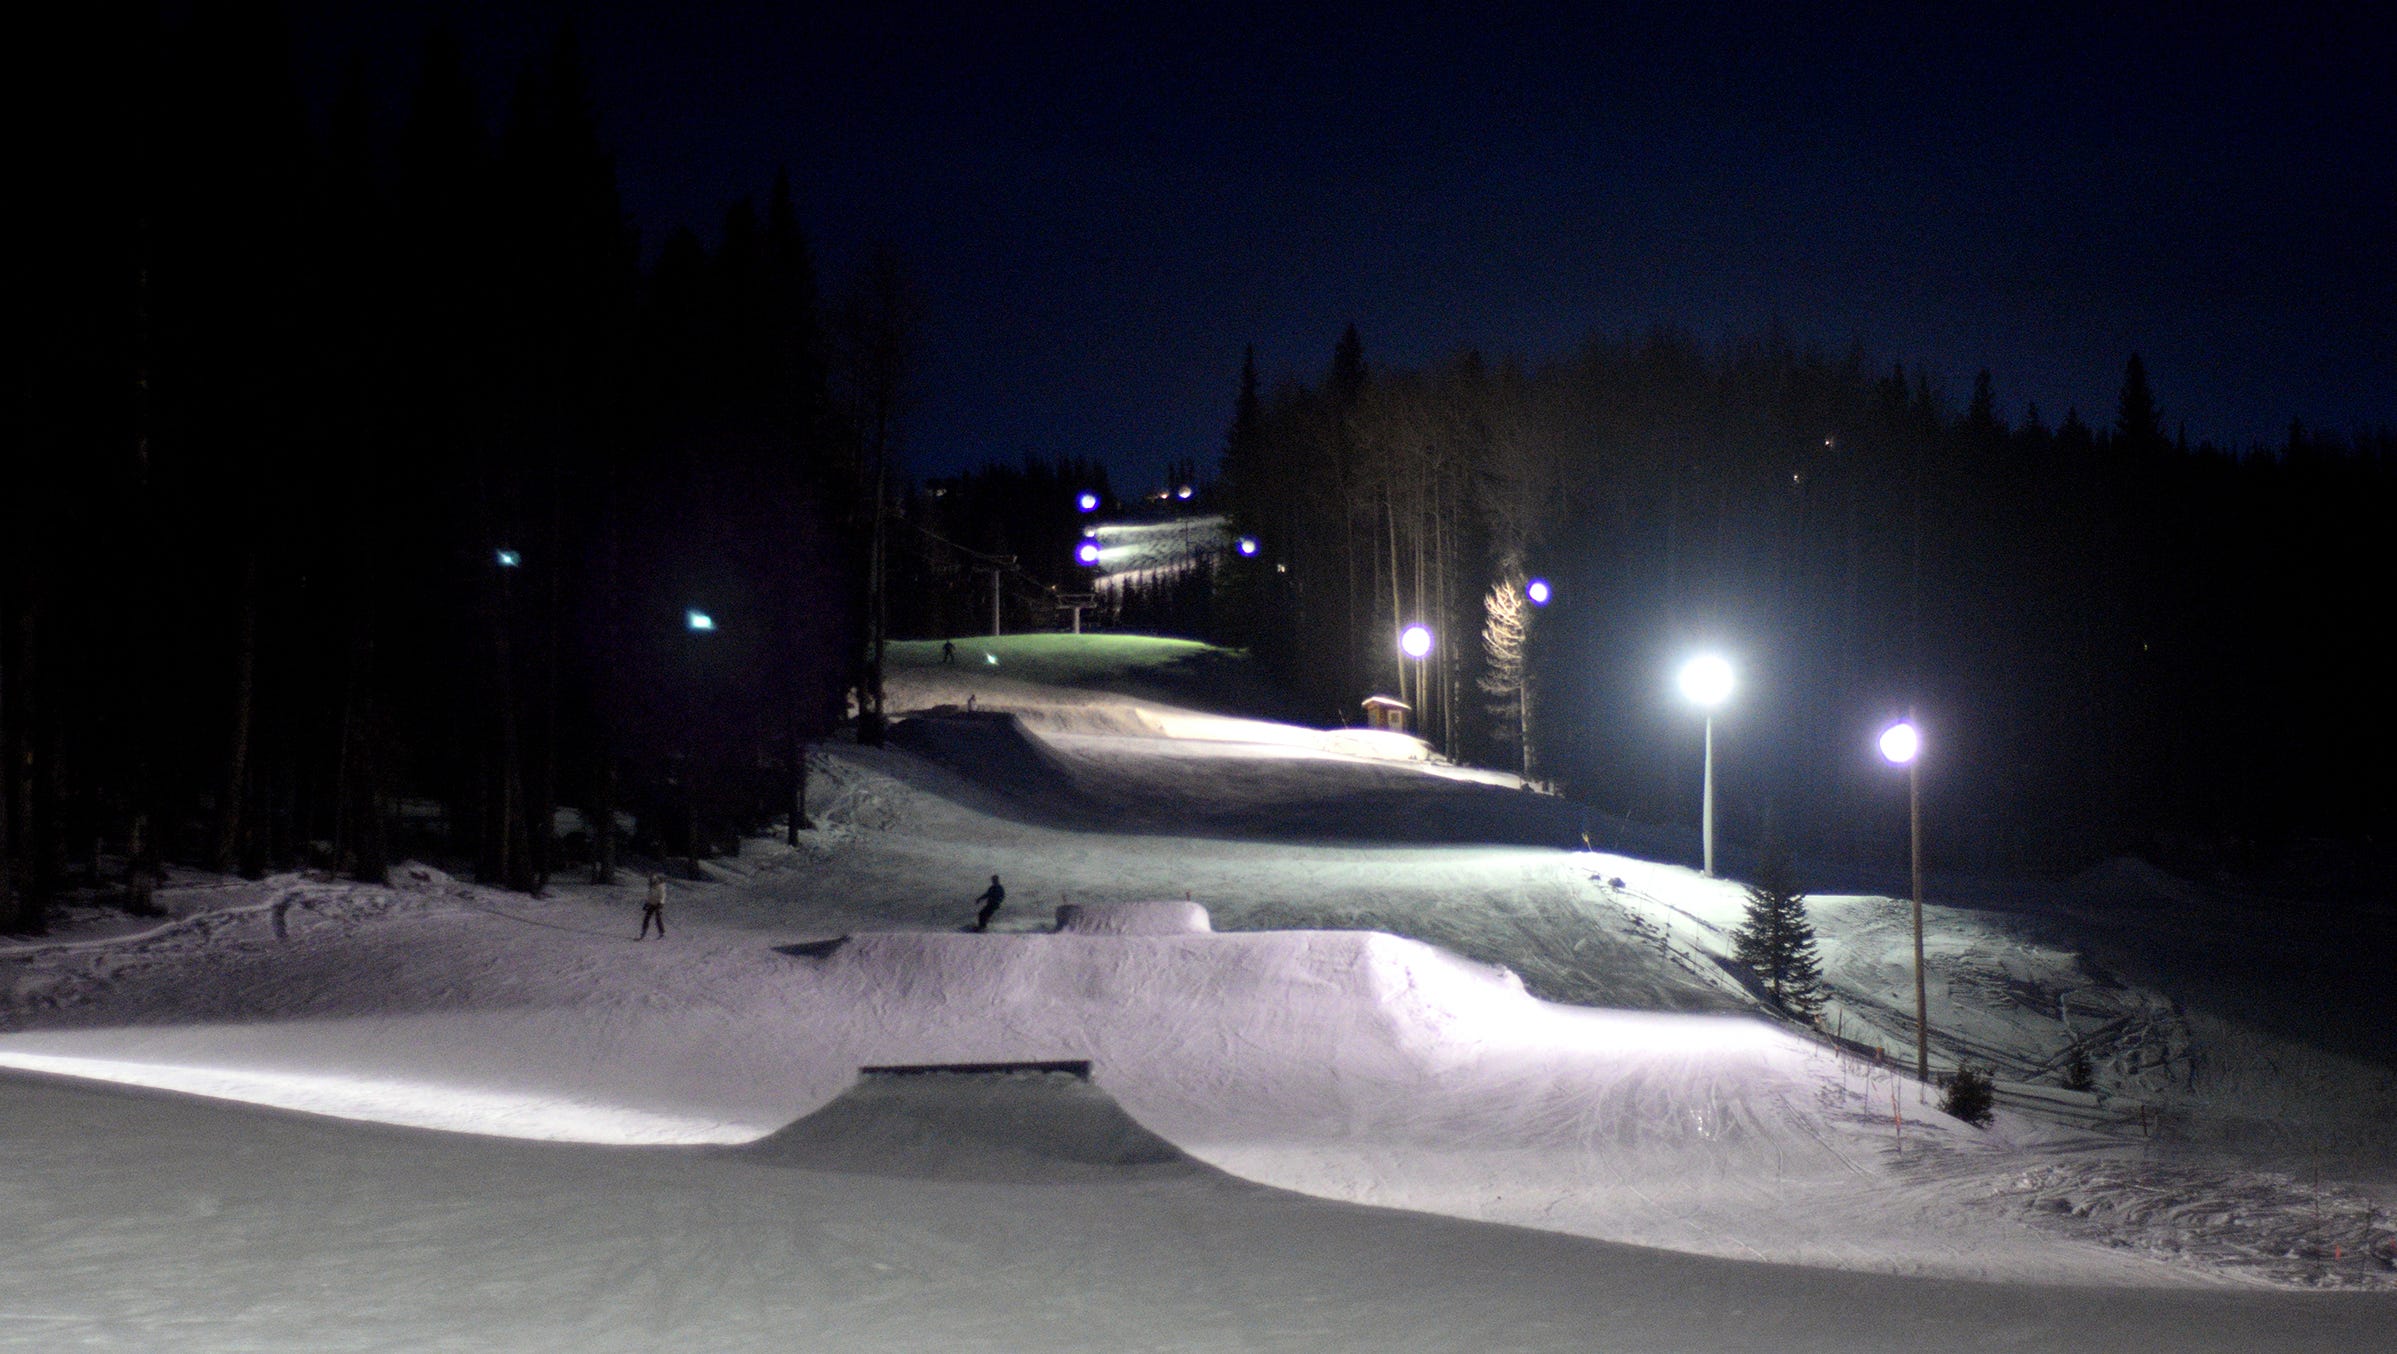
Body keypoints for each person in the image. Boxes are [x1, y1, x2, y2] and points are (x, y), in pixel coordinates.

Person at [639, 872, 666, 940]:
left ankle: (662, 933)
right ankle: (643, 932)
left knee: (658, 918)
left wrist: (660, 903)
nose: (651, 882)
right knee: (646, 918)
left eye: (652, 880)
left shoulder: (660, 886)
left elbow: (662, 895)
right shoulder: (652, 887)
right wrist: (647, 903)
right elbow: (650, 896)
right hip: (652, 904)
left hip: (657, 904)